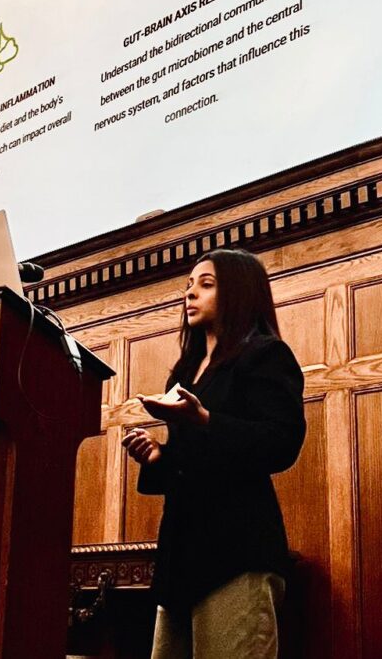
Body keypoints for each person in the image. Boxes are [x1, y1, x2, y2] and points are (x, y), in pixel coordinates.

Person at [122, 248, 306, 659]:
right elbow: (196, 462)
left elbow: (283, 441)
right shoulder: (185, 372)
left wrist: (205, 420)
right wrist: (157, 458)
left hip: (237, 551)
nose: (190, 294)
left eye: (205, 285)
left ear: (239, 293)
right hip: (182, 556)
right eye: (188, 286)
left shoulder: (266, 354)